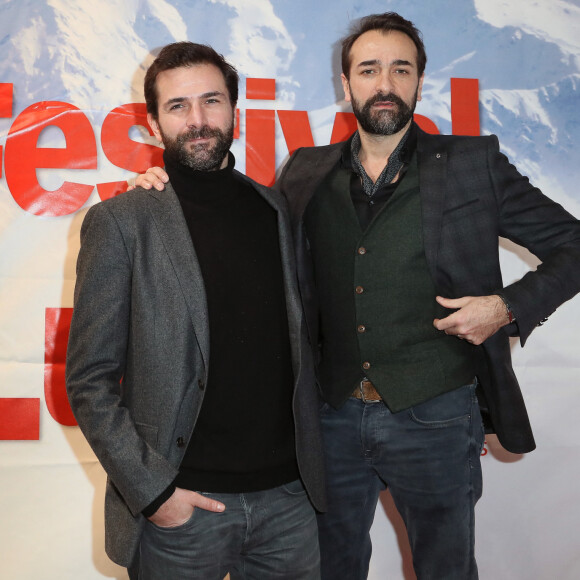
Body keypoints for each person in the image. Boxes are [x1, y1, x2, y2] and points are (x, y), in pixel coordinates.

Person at [134, 13, 580, 580]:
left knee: (447, 570)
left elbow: (573, 243)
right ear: (346, 85)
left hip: (438, 417)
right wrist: (165, 191)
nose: (385, 83)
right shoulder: (303, 172)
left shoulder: (474, 164)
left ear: (420, 81)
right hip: (329, 422)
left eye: (401, 68)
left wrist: (507, 307)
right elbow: (233, 224)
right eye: (369, 69)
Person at [66, 41, 325, 580]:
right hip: (182, 509)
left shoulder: (273, 208)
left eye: (212, 101)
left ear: (235, 109)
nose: (199, 120)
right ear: (154, 124)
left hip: (288, 503)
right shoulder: (122, 222)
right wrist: (155, 494)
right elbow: (89, 380)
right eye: (178, 106)